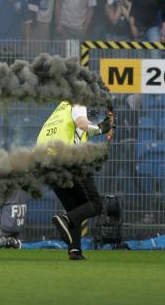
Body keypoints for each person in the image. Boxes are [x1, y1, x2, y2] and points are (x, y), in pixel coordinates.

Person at [36, 101, 113, 260]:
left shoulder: (59, 110)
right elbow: (82, 124)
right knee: (95, 204)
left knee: (75, 208)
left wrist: (99, 128)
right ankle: (65, 219)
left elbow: (79, 130)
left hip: (48, 165)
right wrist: (100, 128)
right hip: (71, 161)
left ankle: (75, 250)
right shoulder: (78, 103)